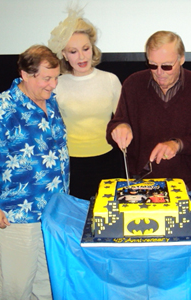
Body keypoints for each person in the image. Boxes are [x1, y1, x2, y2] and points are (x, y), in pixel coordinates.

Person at [0, 45, 70, 299]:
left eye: (56, 78)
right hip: (16, 215)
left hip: (51, 214)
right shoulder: (1, 108)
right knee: (16, 289)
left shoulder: (51, 102)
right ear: (25, 74)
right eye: (46, 78)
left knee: (47, 286)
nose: (53, 85)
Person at [106, 31, 191, 197]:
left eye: (166, 66)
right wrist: (119, 128)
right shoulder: (133, 84)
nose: (159, 72)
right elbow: (115, 127)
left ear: (181, 59)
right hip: (140, 184)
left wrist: (177, 144)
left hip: (183, 186)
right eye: (152, 65)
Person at [48, 6, 123, 200]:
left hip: (109, 160)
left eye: (85, 49)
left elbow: (123, 121)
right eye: (73, 51)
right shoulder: (57, 85)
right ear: (63, 54)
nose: (81, 57)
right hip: (72, 165)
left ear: (93, 48)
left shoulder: (111, 80)